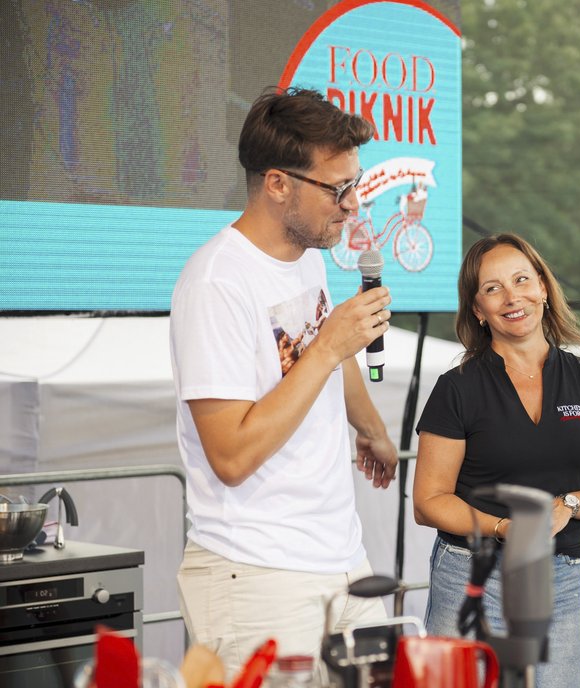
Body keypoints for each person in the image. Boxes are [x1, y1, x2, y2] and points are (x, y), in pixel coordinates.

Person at [170, 87, 398, 678]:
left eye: (355, 184)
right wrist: (327, 346)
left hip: (341, 557)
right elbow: (231, 455)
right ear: (277, 184)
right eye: (336, 188)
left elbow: (330, 354)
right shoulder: (216, 283)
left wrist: (370, 427)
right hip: (255, 573)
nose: (351, 205)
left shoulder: (307, 254)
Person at [412, 234, 580, 688]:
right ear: (477, 309)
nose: (513, 298)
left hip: (561, 576)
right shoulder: (457, 388)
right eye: (493, 289)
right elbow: (429, 500)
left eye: (521, 280)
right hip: (471, 574)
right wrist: (502, 527)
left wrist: (566, 504)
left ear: (544, 289)